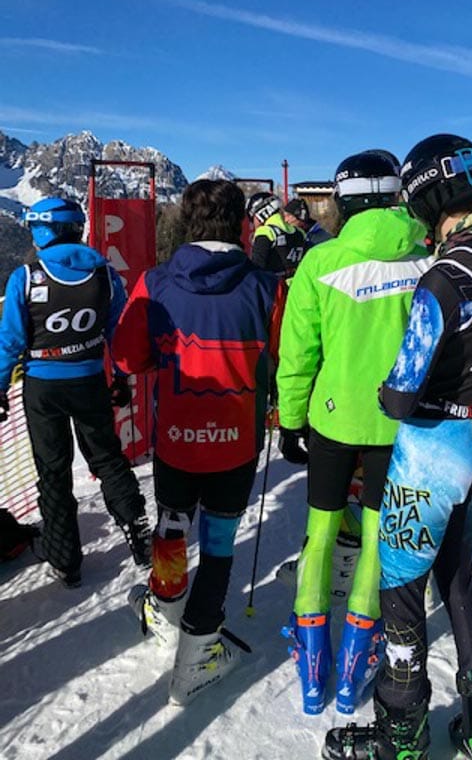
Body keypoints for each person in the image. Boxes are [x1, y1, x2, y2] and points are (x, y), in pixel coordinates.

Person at [323, 134, 472, 760]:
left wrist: (382, 391)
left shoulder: (445, 278)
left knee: (402, 593)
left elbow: (401, 393)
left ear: (428, 198)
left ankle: (401, 736)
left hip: (433, 447)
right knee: (458, 577)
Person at [112, 179, 285, 704]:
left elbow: (127, 357)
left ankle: (166, 609)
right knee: (218, 541)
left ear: (188, 223)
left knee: (171, 525)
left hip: (176, 438)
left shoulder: (155, 282)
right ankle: (199, 647)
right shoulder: (267, 286)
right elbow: (284, 354)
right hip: (236, 439)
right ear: (242, 225)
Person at [277, 149, 430, 716]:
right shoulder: (426, 259)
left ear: (341, 201)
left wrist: (291, 419)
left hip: (333, 418)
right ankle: (356, 665)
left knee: (319, 534)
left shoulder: (321, 261)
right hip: (397, 423)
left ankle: (311, 667)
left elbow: (298, 353)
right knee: (377, 538)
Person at [0, 197, 150, 588]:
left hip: (43, 385)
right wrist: (121, 376)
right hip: (89, 379)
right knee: (107, 458)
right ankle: (138, 532)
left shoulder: (26, 277)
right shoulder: (104, 273)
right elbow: (118, 330)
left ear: (44, 229)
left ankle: (65, 560)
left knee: (53, 470)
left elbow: (10, 340)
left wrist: (0, 385)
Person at [247, 191, 306, 278]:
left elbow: (256, 271)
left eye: (253, 218)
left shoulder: (265, 232)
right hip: (298, 284)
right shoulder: (300, 233)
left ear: (262, 213)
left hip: (274, 285)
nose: (253, 224)